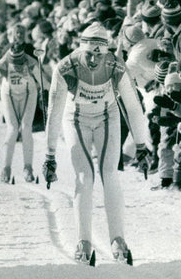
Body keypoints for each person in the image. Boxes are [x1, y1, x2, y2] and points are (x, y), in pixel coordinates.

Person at [42, 23, 152, 265]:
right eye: (89, 54)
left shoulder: (115, 65)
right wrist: (49, 154)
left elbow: (134, 107)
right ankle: (83, 241)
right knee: (85, 176)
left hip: (107, 116)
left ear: (106, 52)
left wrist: (142, 145)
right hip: (76, 118)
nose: (93, 60)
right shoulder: (66, 66)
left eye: (98, 54)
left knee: (109, 173)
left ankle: (118, 239)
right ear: (80, 50)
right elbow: (55, 111)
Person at [0, 23, 42, 183]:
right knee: (13, 129)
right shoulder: (7, 50)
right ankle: (5, 169)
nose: (19, 35)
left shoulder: (30, 49)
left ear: (26, 34)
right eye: (16, 33)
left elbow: (39, 70)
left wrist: (47, 87)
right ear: (11, 35)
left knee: (26, 128)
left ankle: (28, 168)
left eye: (22, 32)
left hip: (28, 92)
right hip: (9, 92)